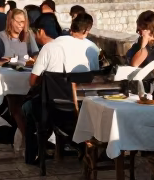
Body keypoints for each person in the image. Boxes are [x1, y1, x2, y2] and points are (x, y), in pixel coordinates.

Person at [19, 12, 100, 143]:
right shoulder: (92, 48)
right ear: (86, 30)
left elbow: (32, 82)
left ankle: (34, 153)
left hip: (56, 109)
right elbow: (96, 76)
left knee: (27, 106)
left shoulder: (49, 47)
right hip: (84, 105)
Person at [0, 8, 32, 131]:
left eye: (23, 22)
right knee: (14, 100)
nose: (20, 25)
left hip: (26, 77)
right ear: (10, 21)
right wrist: (1, 62)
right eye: (18, 21)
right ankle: (24, 134)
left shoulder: (28, 36)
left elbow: (35, 55)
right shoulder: (1, 37)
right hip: (9, 79)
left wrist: (33, 60)